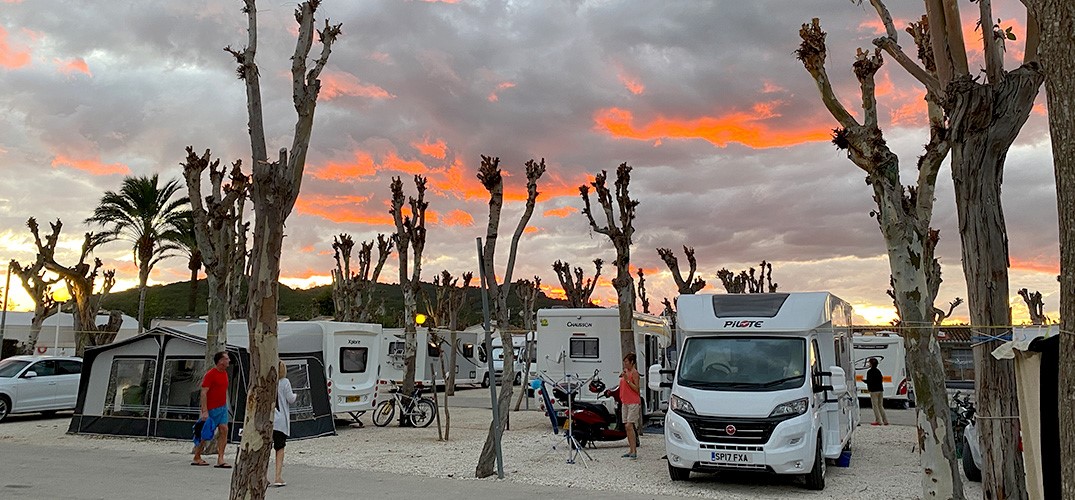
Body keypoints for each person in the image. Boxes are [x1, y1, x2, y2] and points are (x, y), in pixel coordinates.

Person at [192, 351, 231, 468]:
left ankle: (221, 458)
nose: (229, 360)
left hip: (222, 407)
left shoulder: (225, 373)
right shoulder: (210, 374)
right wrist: (204, 410)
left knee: (224, 429)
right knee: (206, 432)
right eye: (227, 358)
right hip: (211, 408)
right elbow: (204, 393)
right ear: (220, 361)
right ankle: (197, 455)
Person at [272, 361, 297, 487]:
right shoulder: (285, 382)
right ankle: (277, 476)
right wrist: (296, 395)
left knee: (264, 449)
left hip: (268, 420)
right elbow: (290, 399)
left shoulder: (268, 382)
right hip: (280, 421)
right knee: (279, 448)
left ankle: (262, 476)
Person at [619, 353, 641, 459]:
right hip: (625, 401)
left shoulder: (634, 373)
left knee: (629, 425)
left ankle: (634, 450)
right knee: (627, 427)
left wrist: (627, 380)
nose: (625, 364)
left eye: (627, 362)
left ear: (632, 362)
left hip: (633, 402)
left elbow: (637, 389)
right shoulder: (625, 372)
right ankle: (631, 449)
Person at [866, 357, 889, 426]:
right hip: (880, 390)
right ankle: (885, 420)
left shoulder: (869, 372)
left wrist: (864, 381)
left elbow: (869, 381)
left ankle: (878, 421)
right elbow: (881, 379)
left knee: (875, 406)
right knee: (880, 405)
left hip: (873, 390)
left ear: (871, 364)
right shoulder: (878, 371)